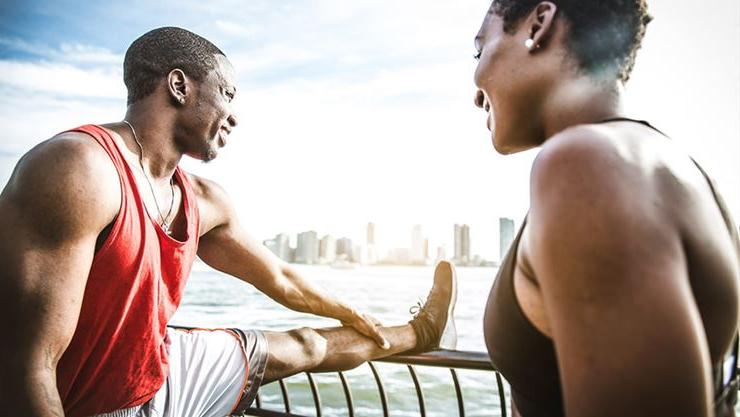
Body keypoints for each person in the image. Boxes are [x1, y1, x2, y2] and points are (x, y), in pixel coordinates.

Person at [0, 27, 457, 417]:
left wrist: (349, 311)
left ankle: (420, 332)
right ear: (179, 86)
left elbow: (281, 278)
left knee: (307, 345)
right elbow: (27, 364)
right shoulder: (78, 169)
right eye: (227, 94)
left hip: (157, 371)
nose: (234, 116)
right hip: (86, 404)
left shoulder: (204, 200)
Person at [473, 1, 739, 417]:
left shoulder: (587, 167)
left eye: (480, 49)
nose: (475, 92)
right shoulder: (673, 169)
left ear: (540, 24)